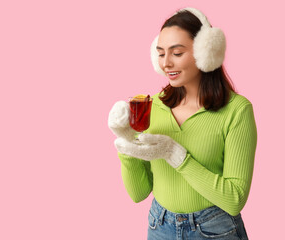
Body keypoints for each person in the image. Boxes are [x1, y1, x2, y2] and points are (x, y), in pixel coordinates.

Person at [108, 7, 257, 240]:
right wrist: (127, 144)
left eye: (176, 53)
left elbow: (234, 199)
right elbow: (138, 193)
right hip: (160, 226)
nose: (166, 63)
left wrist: (175, 154)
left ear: (206, 53)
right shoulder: (152, 106)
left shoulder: (237, 111)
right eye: (161, 53)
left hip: (215, 229)